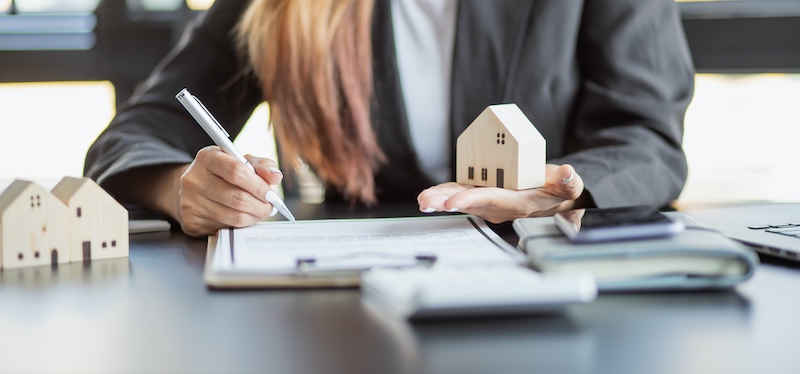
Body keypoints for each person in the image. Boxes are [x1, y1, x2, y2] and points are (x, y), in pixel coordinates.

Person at [85, 0, 694, 237]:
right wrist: (183, 190)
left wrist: (561, 189)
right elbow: (135, 135)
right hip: (358, 295)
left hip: (549, 276)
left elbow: (647, 136)